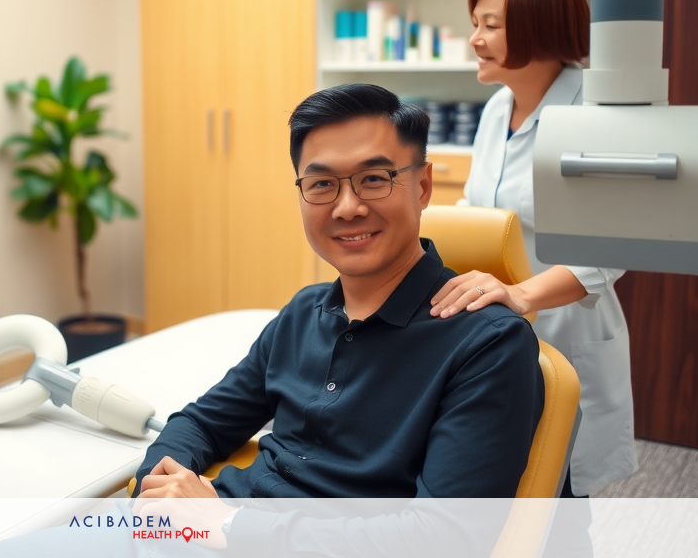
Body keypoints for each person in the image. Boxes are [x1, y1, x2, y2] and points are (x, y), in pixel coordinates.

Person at [132, 83, 543, 512]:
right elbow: (201, 422)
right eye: (322, 183)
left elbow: (443, 538)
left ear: (422, 187)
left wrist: (226, 527)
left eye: (373, 179)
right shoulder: (302, 313)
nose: (347, 207)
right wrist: (160, 491)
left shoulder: (487, 344)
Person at [428, 0, 638, 498]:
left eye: (490, 25)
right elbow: (482, 207)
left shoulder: (594, 110)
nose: (475, 39)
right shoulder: (499, 108)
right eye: (475, 23)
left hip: (566, 330)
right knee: (508, 486)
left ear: (540, 26)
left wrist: (521, 294)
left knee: (562, 495)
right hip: (500, 332)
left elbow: (610, 249)